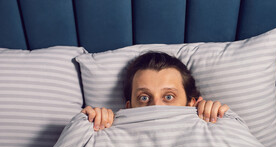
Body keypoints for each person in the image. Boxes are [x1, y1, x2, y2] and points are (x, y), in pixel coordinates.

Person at [81, 52, 229, 131]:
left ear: (191, 103)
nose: (156, 106)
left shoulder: (217, 123)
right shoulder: (105, 132)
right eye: (144, 98)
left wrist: (221, 117)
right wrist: (88, 123)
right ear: (129, 107)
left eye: (169, 96)